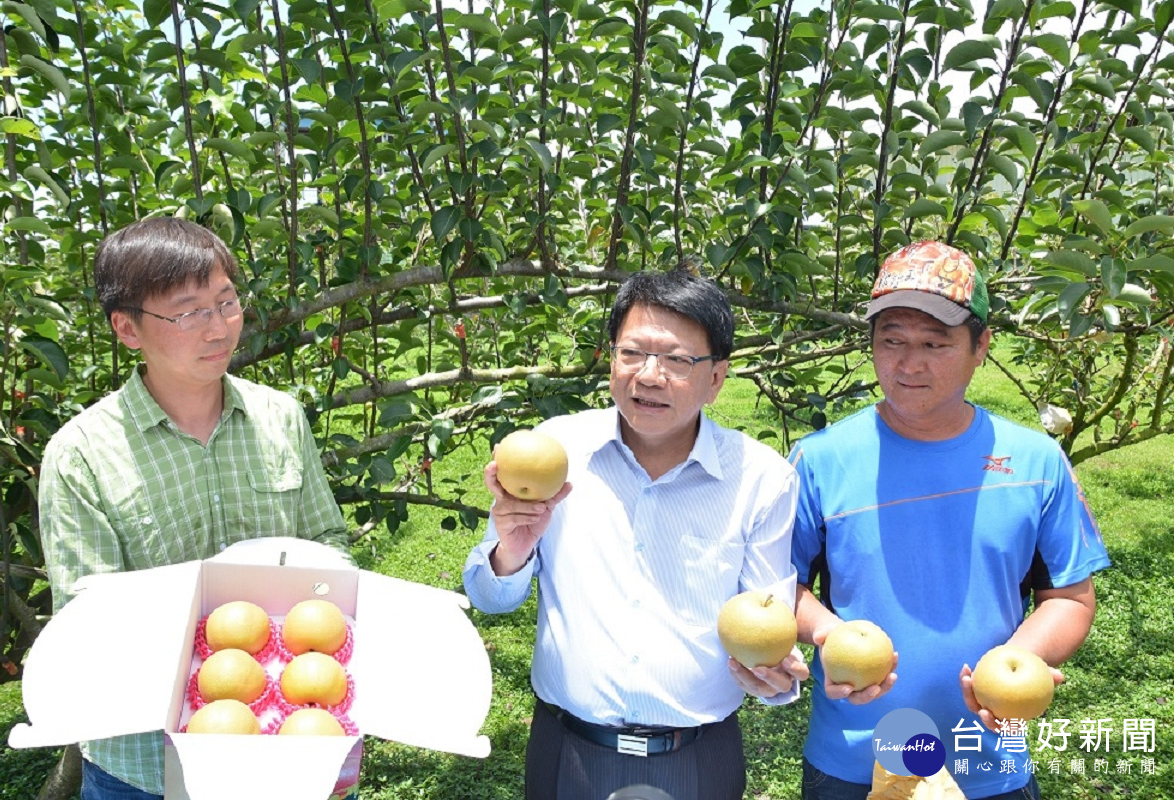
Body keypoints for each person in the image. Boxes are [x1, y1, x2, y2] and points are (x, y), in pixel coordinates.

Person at [462, 267, 807, 800]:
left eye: (676, 359)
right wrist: (512, 548)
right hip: (566, 751)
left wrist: (774, 679)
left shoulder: (761, 480)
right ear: (610, 361)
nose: (649, 375)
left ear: (716, 378)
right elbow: (489, 597)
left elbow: (765, 623)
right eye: (632, 353)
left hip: (699, 756)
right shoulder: (555, 453)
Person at [38, 217, 352, 799]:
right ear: (127, 328)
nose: (219, 328)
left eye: (226, 302)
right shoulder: (81, 454)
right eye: (188, 312)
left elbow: (328, 539)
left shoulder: (280, 417)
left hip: (293, 745)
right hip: (144, 766)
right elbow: (89, 615)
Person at [790, 241, 1111, 799]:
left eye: (934, 344)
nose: (909, 364)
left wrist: (1021, 659)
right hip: (853, 763)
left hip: (988, 759)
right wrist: (827, 632)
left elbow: (1068, 598)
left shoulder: (1035, 463)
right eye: (891, 341)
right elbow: (780, 586)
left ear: (981, 344)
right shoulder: (820, 460)